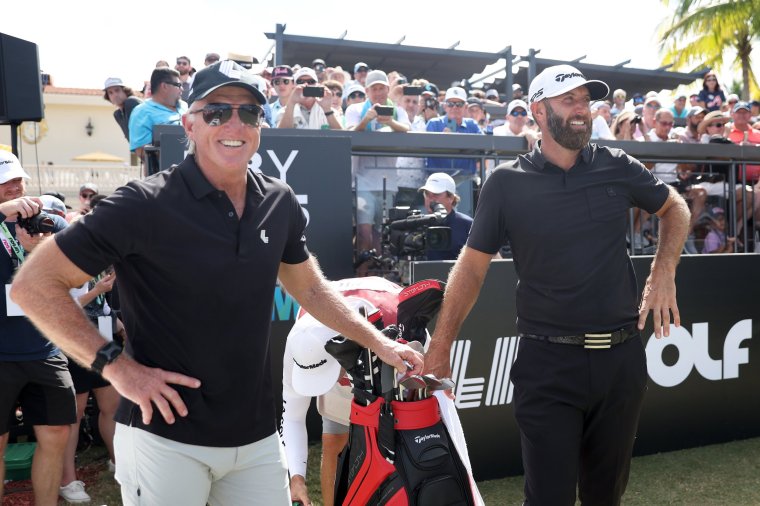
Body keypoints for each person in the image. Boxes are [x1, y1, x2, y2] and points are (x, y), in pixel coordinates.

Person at [10, 60, 423, 506]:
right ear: (188, 123)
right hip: (163, 434)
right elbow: (34, 285)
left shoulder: (277, 200)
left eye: (248, 113)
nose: (234, 123)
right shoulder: (144, 203)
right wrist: (117, 368)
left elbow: (311, 289)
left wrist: (380, 344)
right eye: (216, 112)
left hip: (257, 436)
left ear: (260, 127)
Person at [425, 64, 690, 506]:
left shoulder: (616, 165)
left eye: (586, 101)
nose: (582, 110)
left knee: (605, 496)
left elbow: (675, 208)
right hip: (547, 365)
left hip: (620, 362)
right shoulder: (506, 183)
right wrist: (441, 344)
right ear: (538, 111)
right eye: (569, 101)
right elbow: (470, 269)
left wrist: (663, 274)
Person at [282, 276, 402, 506]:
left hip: (383, 341)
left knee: (397, 441)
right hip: (343, 336)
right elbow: (292, 418)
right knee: (333, 440)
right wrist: (296, 479)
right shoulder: (301, 337)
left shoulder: (393, 316)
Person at [0, 150, 76, 506]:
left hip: (44, 349)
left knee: (58, 433)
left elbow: (79, 267)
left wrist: (39, 254)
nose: (14, 188)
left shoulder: (47, 221)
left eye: (17, 180)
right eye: (4, 183)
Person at [128, 67, 187, 160]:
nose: (182, 89)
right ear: (164, 86)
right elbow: (141, 152)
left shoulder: (185, 106)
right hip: (166, 172)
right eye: (178, 85)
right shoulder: (141, 112)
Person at [418, 173, 472, 260]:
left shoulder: (468, 225)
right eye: (427, 194)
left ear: (451, 198)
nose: (430, 199)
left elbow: (492, 258)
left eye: (436, 194)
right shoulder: (418, 224)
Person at [276, 67, 343, 130]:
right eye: (300, 82)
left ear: (317, 85)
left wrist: (327, 110)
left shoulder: (331, 111)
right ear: (294, 86)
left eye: (311, 82)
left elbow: (342, 137)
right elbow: (280, 137)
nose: (306, 85)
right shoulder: (284, 111)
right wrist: (291, 102)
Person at [103, 77, 143, 141]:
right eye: (110, 93)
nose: (115, 95)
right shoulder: (118, 115)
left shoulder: (131, 102)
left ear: (125, 91)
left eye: (117, 90)